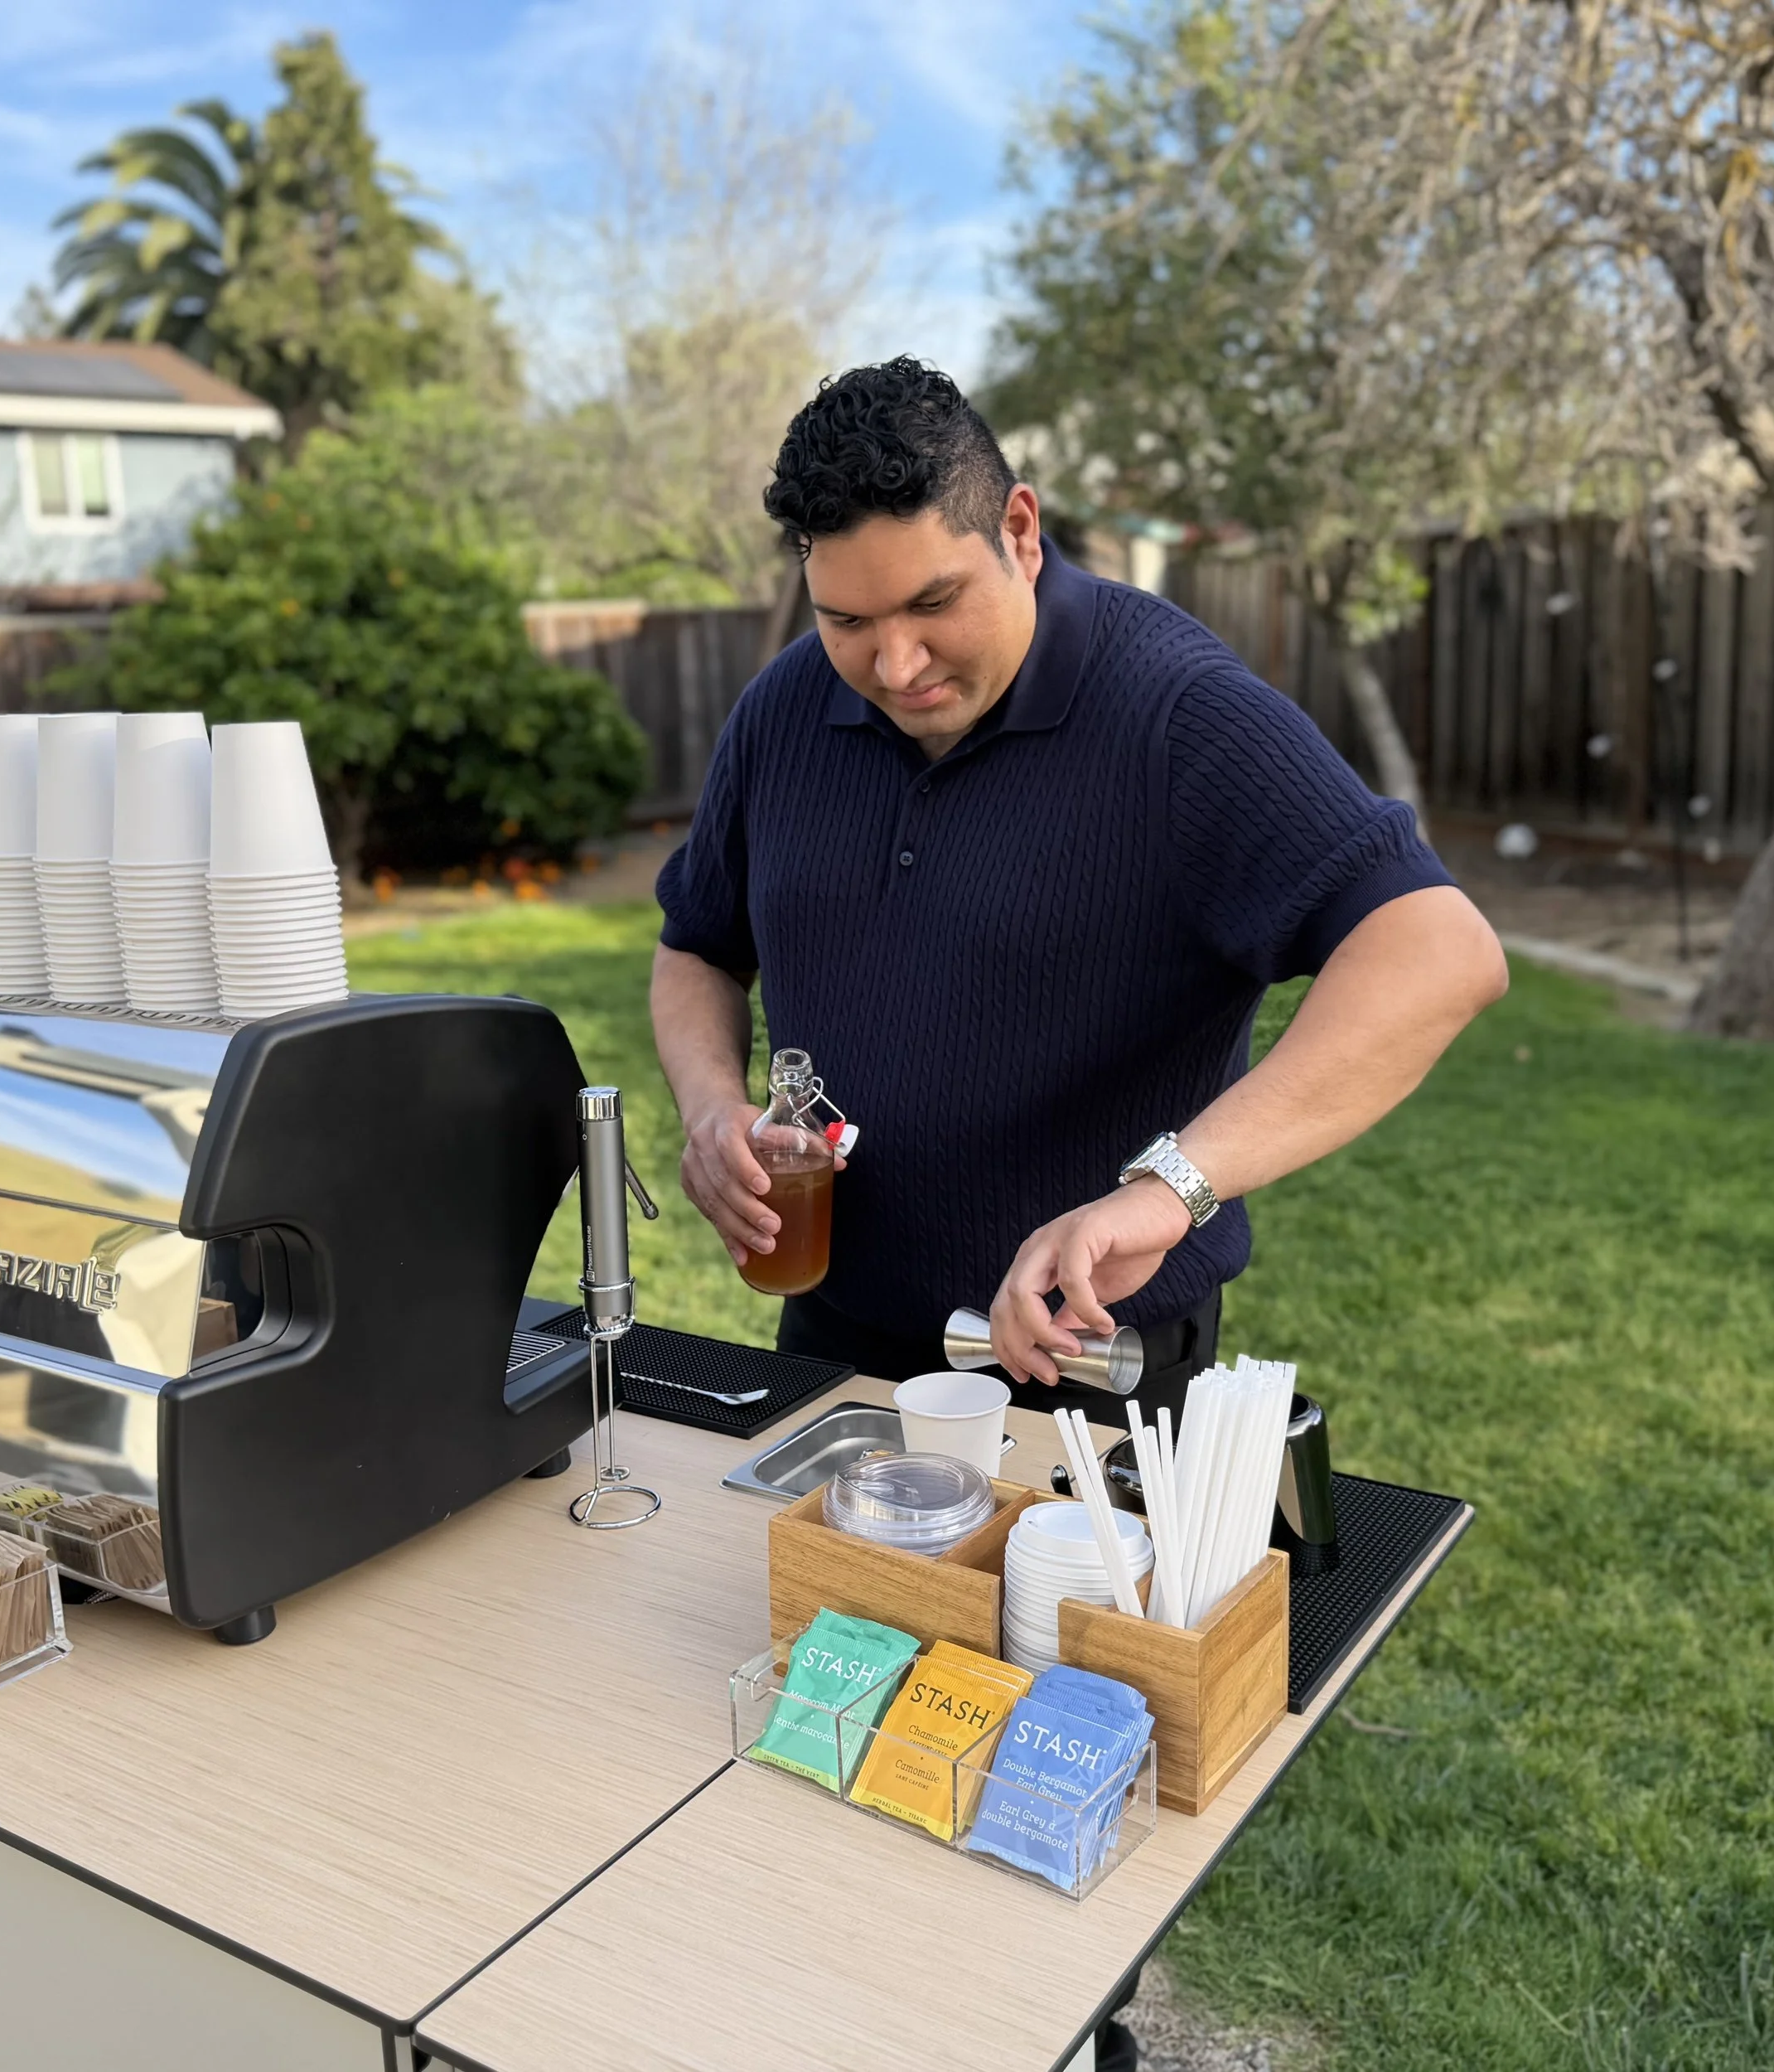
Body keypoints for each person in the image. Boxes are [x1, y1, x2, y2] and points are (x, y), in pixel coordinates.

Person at [651, 356, 1505, 2072]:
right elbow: (694, 942)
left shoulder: (1174, 712)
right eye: (845, 622)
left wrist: (1165, 1181)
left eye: (933, 605)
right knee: (829, 1766)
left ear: (1019, 529)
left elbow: (1435, 950)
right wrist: (703, 1108)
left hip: (1092, 1385)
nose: (892, 665)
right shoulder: (780, 712)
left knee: (1045, 1838)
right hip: (842, 1349)